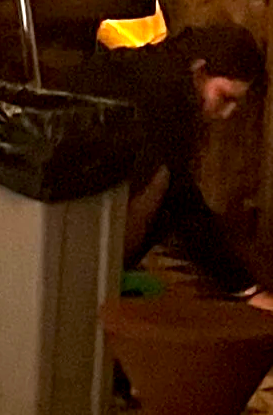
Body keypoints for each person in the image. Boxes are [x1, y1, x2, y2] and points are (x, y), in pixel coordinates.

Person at [61, 22, 266, 305]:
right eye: (225, 98)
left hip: (70, 211)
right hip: (70, 207)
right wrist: (245, 289)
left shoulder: (159, 74)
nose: (228, 113)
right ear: (200, 72)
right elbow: (182, 203)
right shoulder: (161, 98)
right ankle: (99, 282)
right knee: (160, 182)